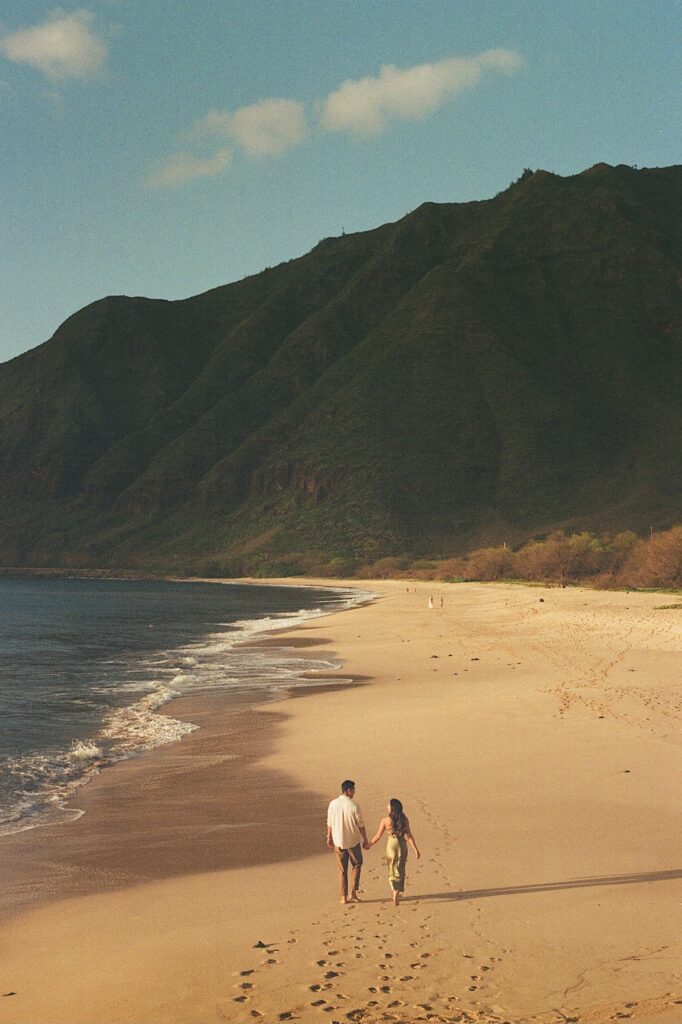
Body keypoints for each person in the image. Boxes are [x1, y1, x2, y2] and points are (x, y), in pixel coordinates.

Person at [326, 780, 370, 904]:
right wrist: (365, 839)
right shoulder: (354, 805)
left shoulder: (333, 804)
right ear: (348, 790)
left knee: (342, 869)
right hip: (352, 840)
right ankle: (353, 892)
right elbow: (360, 824)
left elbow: (329, 822)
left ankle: (343, 896)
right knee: (357, 863)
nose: (354, 792)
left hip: (338, 840)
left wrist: (329, 837)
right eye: (353, 790)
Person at [370, 798, 420, 906]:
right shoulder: (404, 820)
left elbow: (378, 836)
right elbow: (409, 835)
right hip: (402, 845)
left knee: (392, 868)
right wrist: (415, 849)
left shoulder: (386, 820)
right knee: (400, 868)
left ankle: (393, 889)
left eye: (388, 805)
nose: (387, 806)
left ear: (392, 807)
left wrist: (369, 844)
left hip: (391, 846)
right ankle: (397, 891)